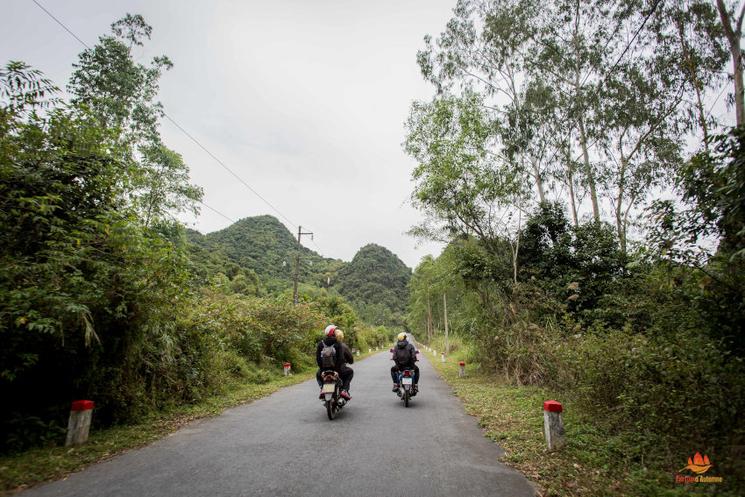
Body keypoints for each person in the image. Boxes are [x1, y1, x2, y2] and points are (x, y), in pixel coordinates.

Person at [316, 324, 353, 400]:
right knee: (350, 372)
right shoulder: (337, 343)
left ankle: (323, 388)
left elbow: (318, 359)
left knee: (317, 374)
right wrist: (336, 371)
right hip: (337, 369)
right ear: (333, 333)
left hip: (324, 370)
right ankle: (344, 390)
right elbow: (340, 359)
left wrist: (322, 371)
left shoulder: (321, 344)